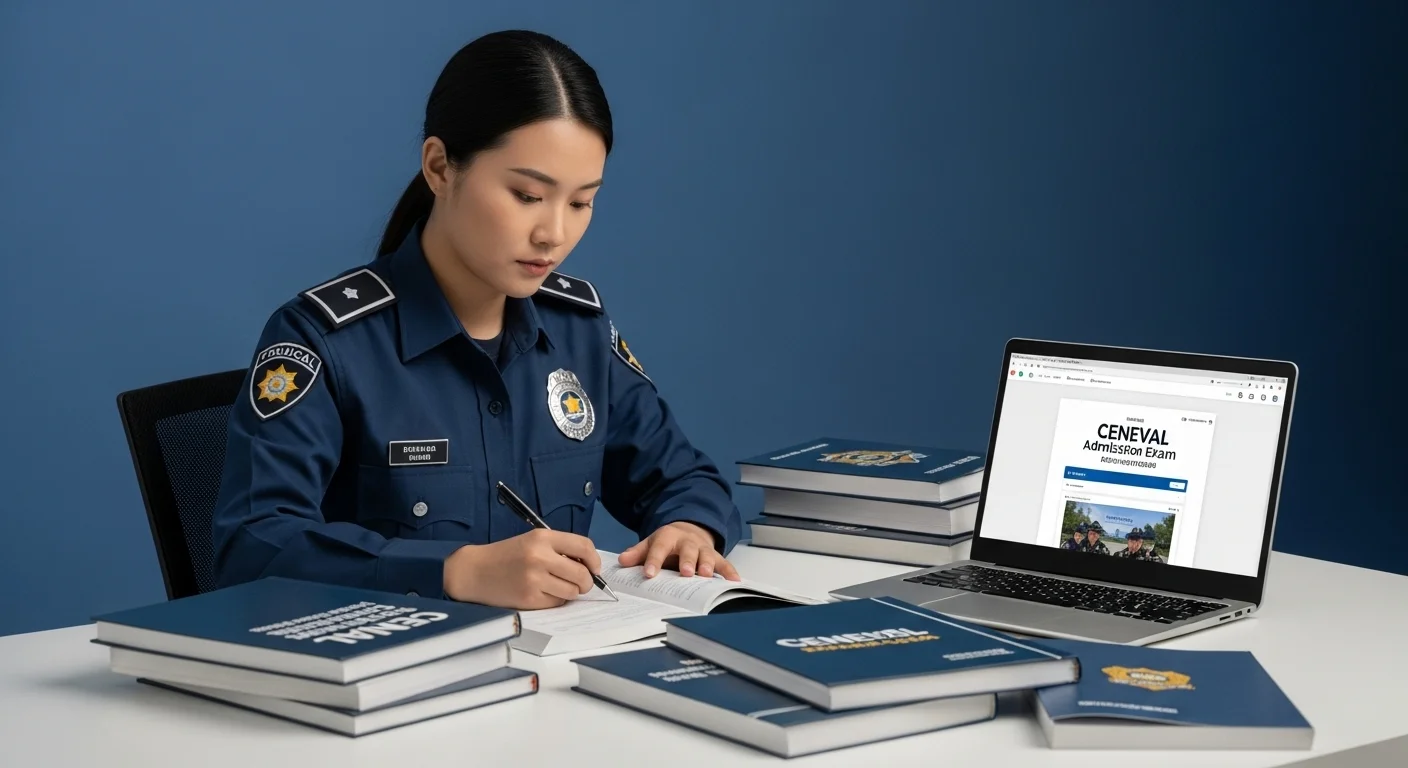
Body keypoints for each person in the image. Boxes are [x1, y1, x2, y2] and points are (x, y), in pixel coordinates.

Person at [210, 29, 744, 611]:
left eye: (581, 201)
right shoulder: (325, 340)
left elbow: (683, 478)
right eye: (526, 195)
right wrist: (454, 570)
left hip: (558, 678)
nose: (554, 234)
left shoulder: (578, 331)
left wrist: (691, 528)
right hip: (390, 681)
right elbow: (251, 547)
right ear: (440, 167)